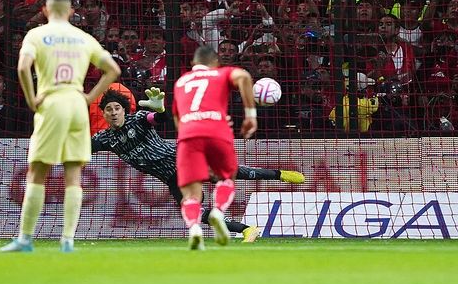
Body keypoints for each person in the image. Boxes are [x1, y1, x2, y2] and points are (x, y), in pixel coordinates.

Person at [92, 88, 304, 244]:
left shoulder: (137, 120)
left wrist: (160, 110)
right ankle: (248, 230)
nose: (113, 112)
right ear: (103, 114)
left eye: (117, 108)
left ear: (124, 110)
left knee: (233, 172)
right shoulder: (105, 138)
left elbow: (158, 118)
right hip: (173, 178)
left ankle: (279, 174)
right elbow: (82, 147)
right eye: (108, 109)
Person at [0, 0, 121, 253]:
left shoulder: (36, 35)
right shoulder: (83, 37)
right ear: (71, 12)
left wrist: (32, 99)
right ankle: (67, 240)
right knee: (73, 174)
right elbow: (113, 69)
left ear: (44, 10)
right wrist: (89, 97)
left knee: (38, 171)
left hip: (52, 102)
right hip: (77, 104)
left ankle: (25, 238)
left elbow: (22, 67)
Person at [172, 45, 257, 250]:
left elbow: (177, 117)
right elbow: (244, 77)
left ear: (193, 64)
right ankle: (218, 211)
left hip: (188, 135)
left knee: (191, 195)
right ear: (216, 63)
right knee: (227, 177)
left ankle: (194, 229)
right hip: (217, 130)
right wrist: (250, 116)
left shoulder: (181, 82)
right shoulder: (221, 73)